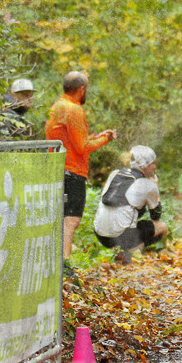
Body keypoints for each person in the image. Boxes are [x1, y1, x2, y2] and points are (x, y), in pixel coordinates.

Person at [45, 71, 117, 267]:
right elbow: (82, 148)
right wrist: (106, 139)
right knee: (71, 220)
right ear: (82, 89)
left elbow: (73, 141)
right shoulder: (74, 109)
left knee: (62, 219)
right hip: (71, 172)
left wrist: (98, 136)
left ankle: (58, 263)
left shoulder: (58, 106)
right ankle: (64, 265)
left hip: (58, 169)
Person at [93, 146, 167, 264]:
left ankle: (119, 253)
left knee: (126, 220)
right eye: (152, 164)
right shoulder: (148, 184)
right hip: (121, 236)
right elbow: (156, 216)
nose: (155, 167)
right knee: (162, 227)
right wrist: (155, 189)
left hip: (100, 234)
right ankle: (128, 253)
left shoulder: (115, 173)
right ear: (144, 165)